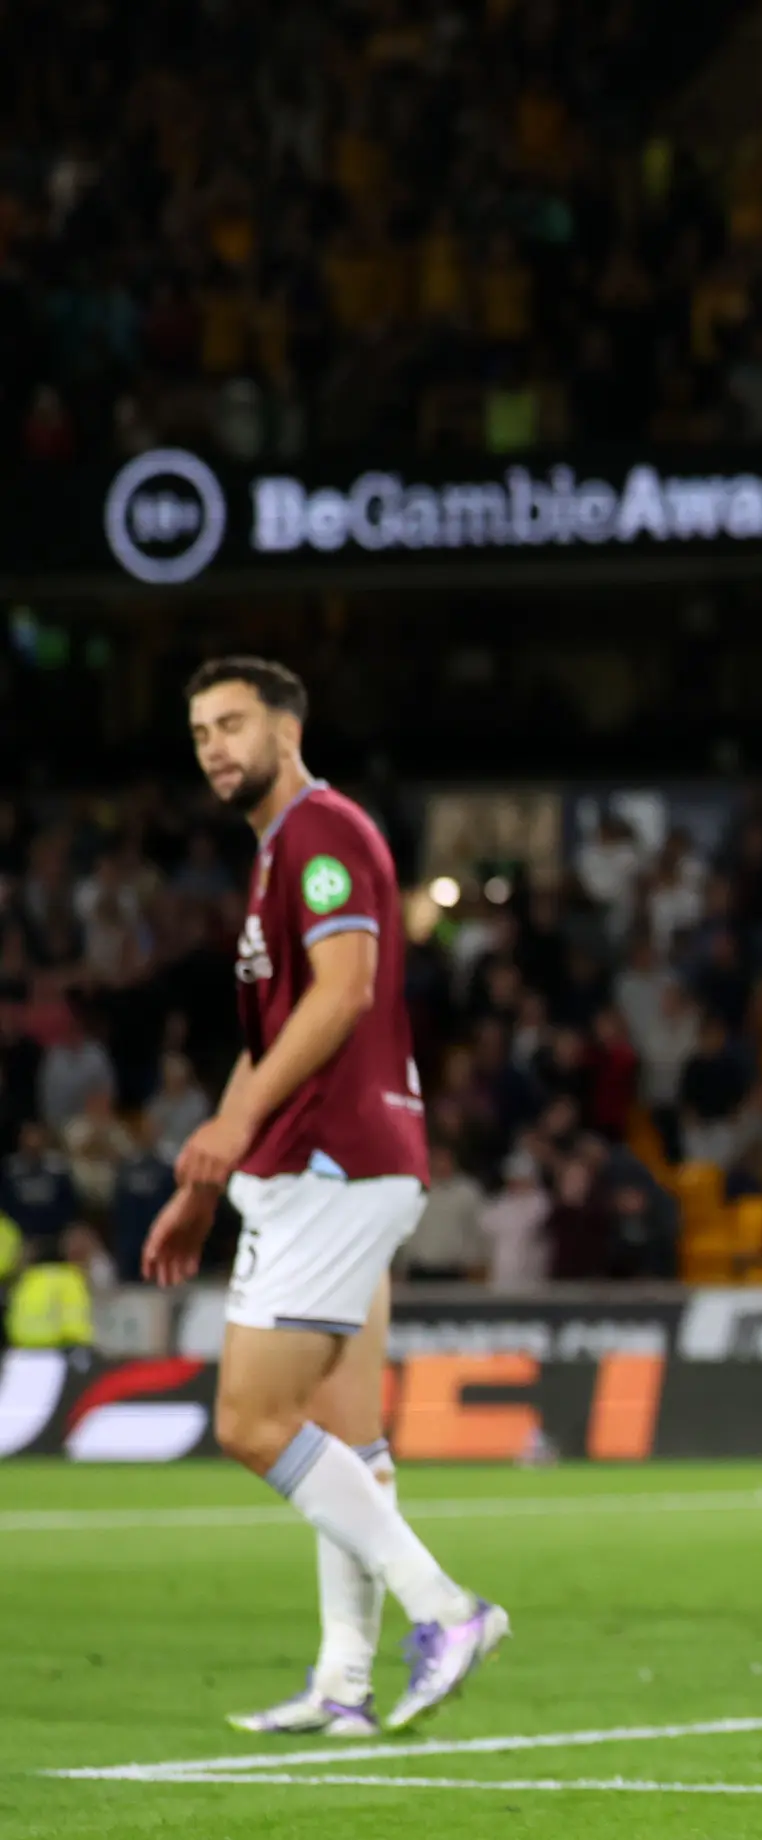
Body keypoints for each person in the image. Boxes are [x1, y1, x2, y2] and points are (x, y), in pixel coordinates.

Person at [138, 656, 505, 1737]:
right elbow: (269, 1043)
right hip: (337, 1167)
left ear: (287, 727)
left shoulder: (321, 831)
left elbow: (343, 994)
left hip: (330, 1166)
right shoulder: (276, 855)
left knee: (252, 1422)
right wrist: (208, 1175)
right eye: (200, 731)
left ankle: (449, 1611)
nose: (214, 747)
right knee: (346, 1434)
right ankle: (346, 1683)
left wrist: (234, 1132)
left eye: (232, 723)